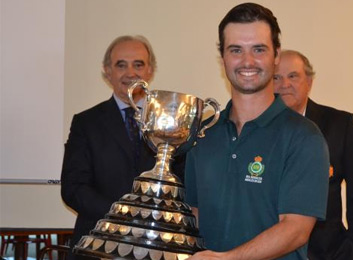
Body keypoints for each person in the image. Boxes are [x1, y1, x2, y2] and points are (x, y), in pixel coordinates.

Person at [184, 3, 330, 260]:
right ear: (223, 59)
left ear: (276, 56)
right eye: (236, 50)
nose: (247, 61)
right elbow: (195, 213)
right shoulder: (203, 134)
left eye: (258, 49)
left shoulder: (305, 137)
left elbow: (296, 229)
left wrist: (227, 259)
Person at [61, 35, 183, 259]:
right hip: (96, 245)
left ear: (150, 71)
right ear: (107, 71)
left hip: (156, 248)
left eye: (139, 64)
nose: (130, 73)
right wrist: (125, 217)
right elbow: (73, 188)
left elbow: (182, 182)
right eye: (121, 65)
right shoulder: (86, 123)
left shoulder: (171, 123)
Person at [273, 50, 353, 260]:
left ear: (309, 82)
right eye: (276, 77)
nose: (284, 84)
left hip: (329, 253)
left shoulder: (340, 125)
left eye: (293, 76)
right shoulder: (256, 129)